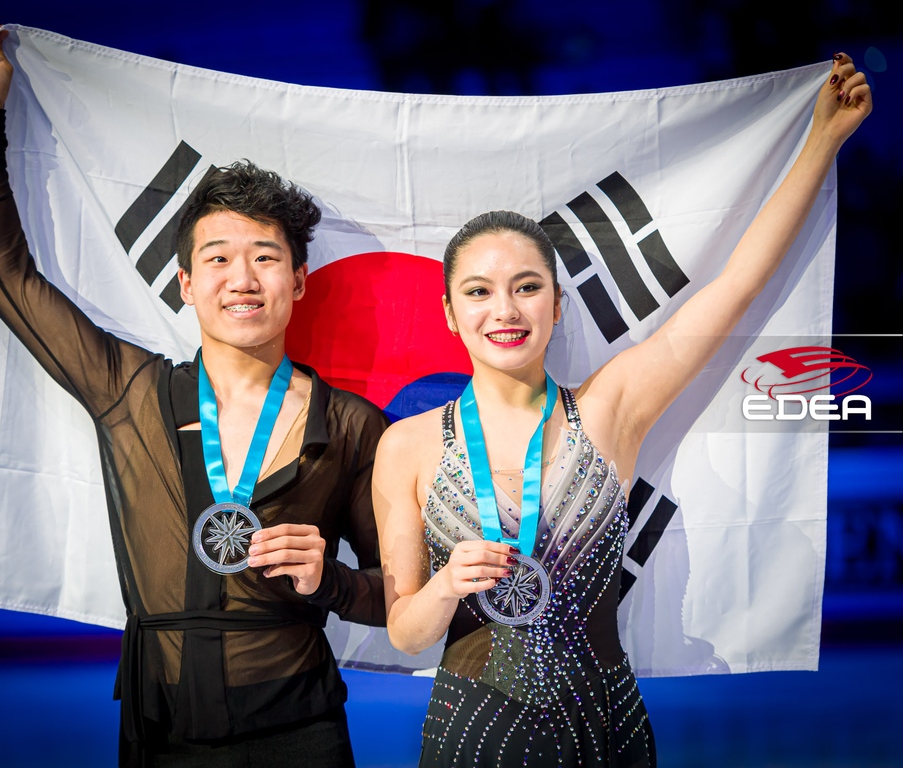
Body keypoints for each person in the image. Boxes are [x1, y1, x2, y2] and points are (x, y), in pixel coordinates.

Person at [372, 54, 871, 767]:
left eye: (526, 287)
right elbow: (406, 633)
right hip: (469, 736)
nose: (505, 310)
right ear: (449, 313)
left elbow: (735, 287)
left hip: (603, 731)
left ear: (556, 303)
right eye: (478, 292)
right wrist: (450, 581)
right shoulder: (408, 448)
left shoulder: (610, 408)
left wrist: (822, 139)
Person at [0, 23, 388, 768]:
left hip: (302, 733)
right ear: (187, 285)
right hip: (159, 734)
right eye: (217, 258)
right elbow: (6, 280)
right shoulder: (132, 391)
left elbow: (399, 595)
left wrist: (335, 582)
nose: (242, 278)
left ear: (298, 281)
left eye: (265, 258)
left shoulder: (348, 425)